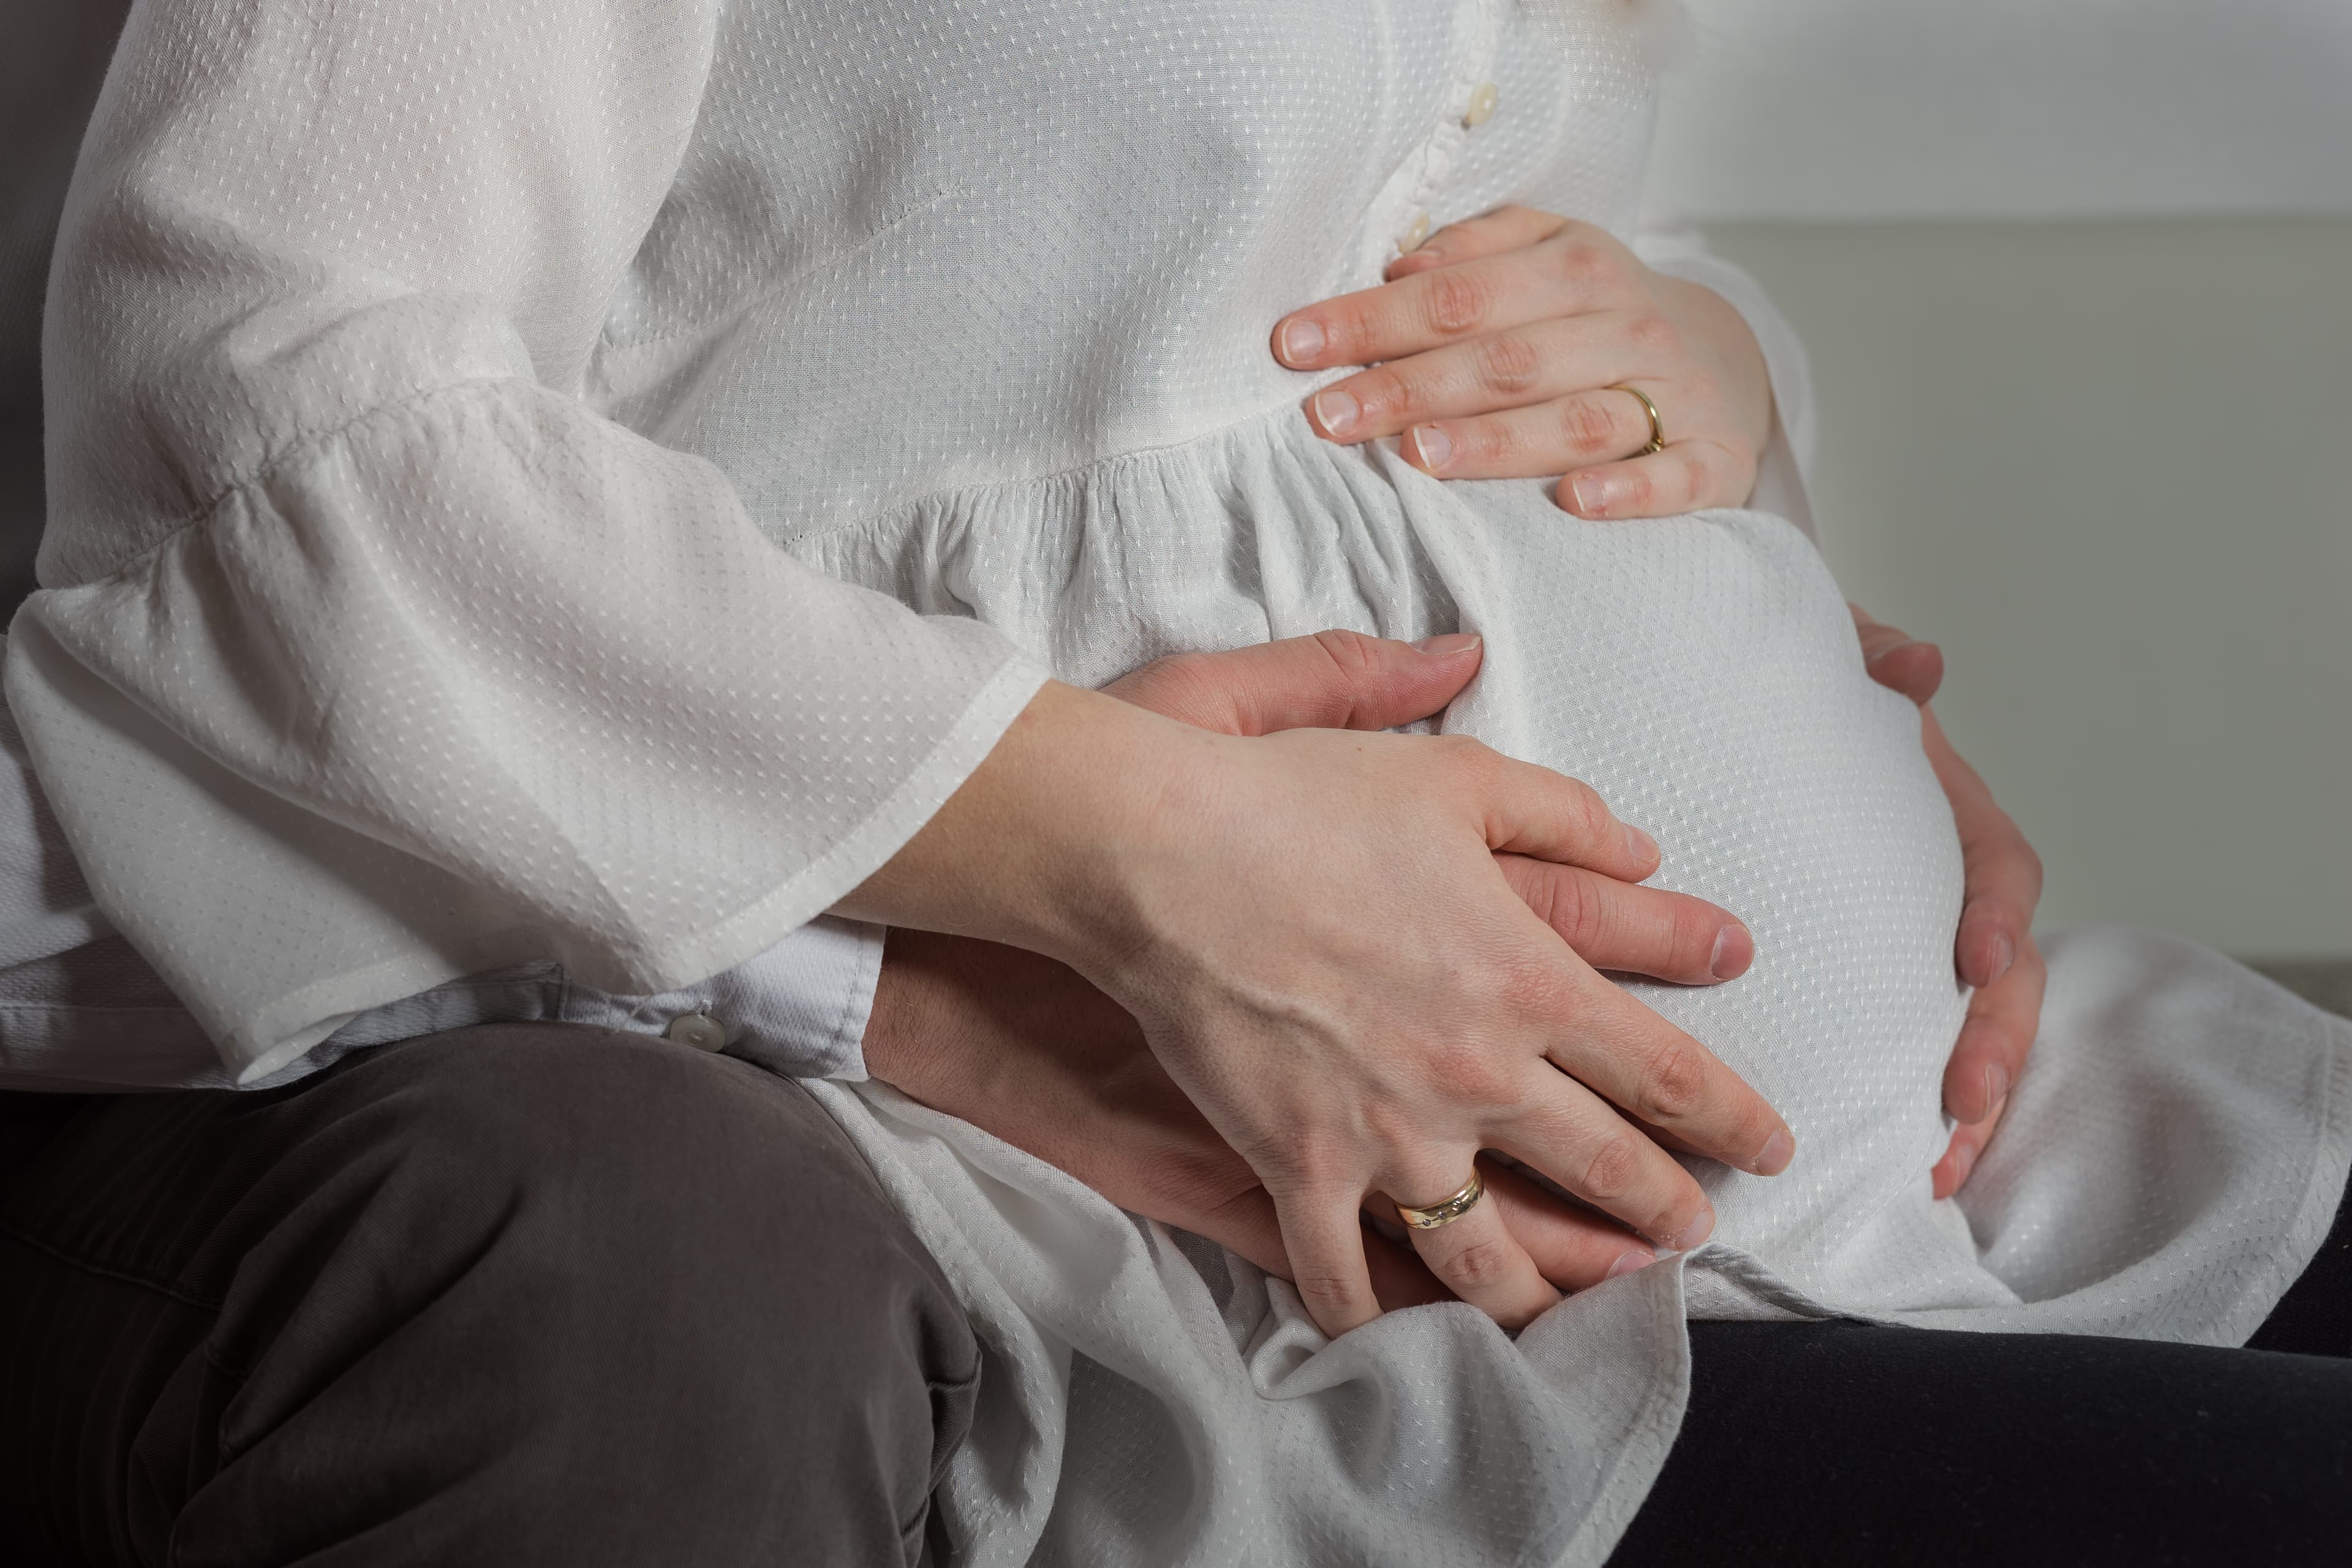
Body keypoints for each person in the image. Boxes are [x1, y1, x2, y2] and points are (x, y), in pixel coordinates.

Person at [1, 1, 2345, 1564]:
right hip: (1229, 1272)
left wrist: (1731, 440)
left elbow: (1323, 247)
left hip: (1951, 1153)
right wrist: (1153, 863)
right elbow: (272, 389)